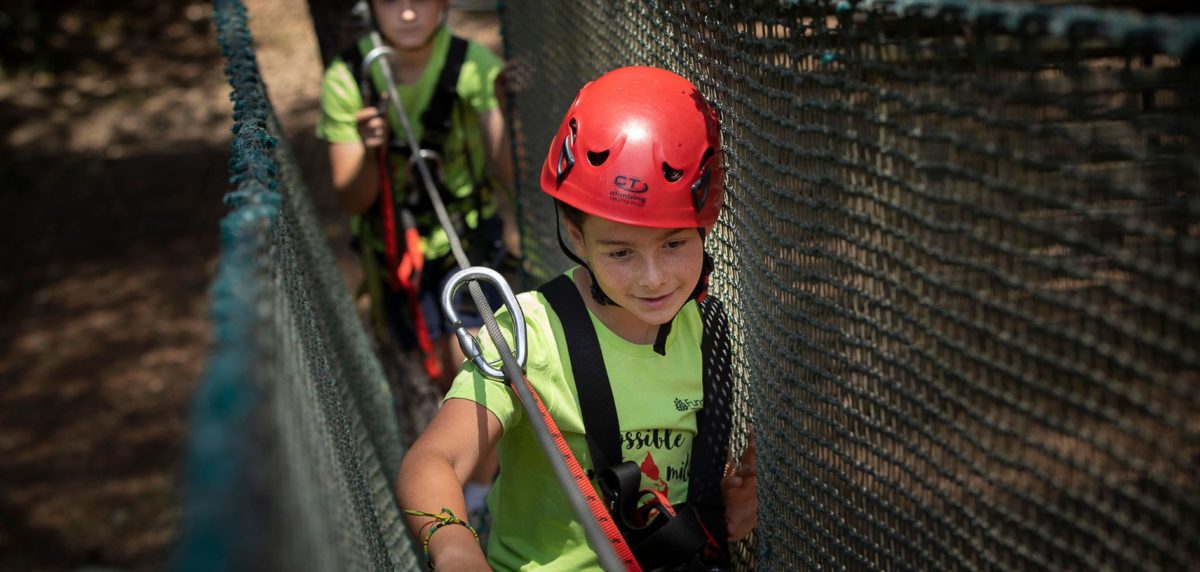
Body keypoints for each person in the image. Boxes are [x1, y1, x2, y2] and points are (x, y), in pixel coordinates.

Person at [396, 66, 758, 571]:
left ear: (705, 223)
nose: (653, 278)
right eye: (620, 253)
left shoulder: (708, 331)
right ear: (575, 232)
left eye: (674, 244)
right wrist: (455, 545)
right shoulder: (530, 336)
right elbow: (433, 460)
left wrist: (723, 506)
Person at [316, 0, 520, 393]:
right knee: (443, 370)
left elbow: (511, 170)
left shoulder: (472, 65)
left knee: (476, 365)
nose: (408, 14)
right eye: (392, 1)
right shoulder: (349, 78)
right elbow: (354, 200)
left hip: (467, 239)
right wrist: (369, 149)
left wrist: (503, 107)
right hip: (397, 250)